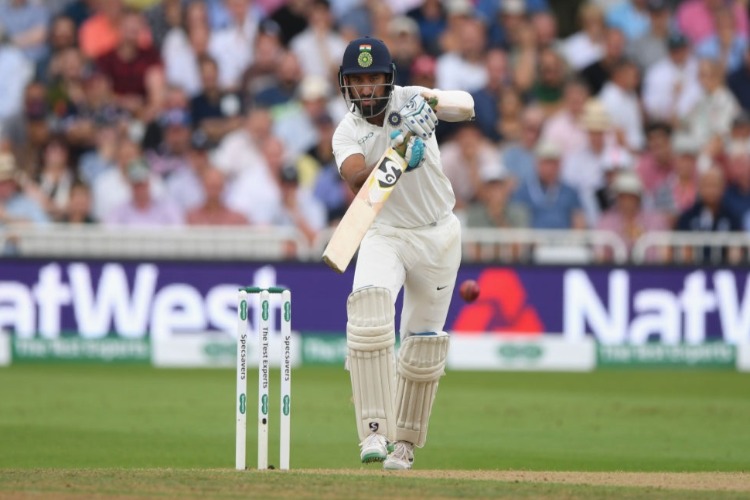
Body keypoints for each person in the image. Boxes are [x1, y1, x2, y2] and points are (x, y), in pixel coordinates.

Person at [331, 37, 474, 470]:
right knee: (369, 312)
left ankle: (405, 445)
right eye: (358, 80)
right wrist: (397, 154)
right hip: (385, 232)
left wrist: (431, 103)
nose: (368, 87)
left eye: (374, 78)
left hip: (439, 235)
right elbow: (357, 178)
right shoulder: (347, 131)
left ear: (388, 79)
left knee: (422, 346)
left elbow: (465, 105)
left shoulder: (411, 98)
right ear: (347, 86)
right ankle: (373, 433)